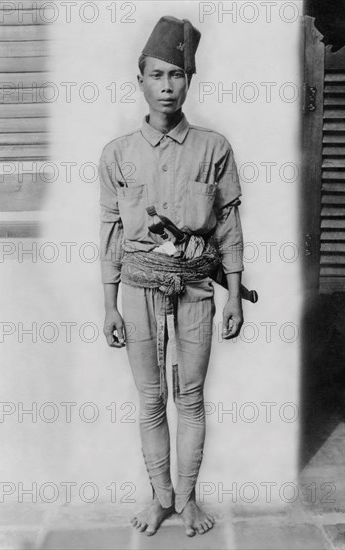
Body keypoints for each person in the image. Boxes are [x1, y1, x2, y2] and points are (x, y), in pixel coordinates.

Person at [99, 15, 244, 537]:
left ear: (190, 80)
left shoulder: (214, 148)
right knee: (150, 397)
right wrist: (109, 302)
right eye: (157, 75)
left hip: (198, 288)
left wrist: (235, 296)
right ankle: (160, 497)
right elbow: (111, 229)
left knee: (192, 396)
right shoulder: (117, 154)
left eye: (177, 75)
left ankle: (189, 500)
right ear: (140, 81)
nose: (167, 86)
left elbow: (228, 222)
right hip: (137, 288)